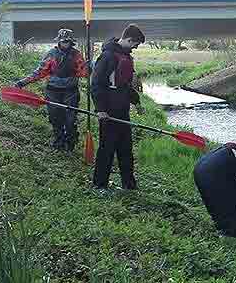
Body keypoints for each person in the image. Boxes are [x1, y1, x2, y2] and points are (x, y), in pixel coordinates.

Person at [91, 24, 146, 190]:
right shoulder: (107, 56)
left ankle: (129, 185)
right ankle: (99, 186)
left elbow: (125, 85)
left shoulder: (126, 56)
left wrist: (136, 102)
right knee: (107, 149)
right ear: (129, 39)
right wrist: (100, 109)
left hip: (123, 111)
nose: (135, 47)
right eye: (135, 44)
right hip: (108, 112)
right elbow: (96, 84)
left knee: (125, 149)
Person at [15, 28, 88, 151]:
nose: (65, 43)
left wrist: (88, 69)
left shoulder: (76, 55)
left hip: (70, 92)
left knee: (70, 120)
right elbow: (39, 72)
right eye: (63, 41)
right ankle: (59, 142)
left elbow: (83, 72)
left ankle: (71, 142)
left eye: (68, 41)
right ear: (59, 41)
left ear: (71, 42)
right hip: (53, 91)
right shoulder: (51, 54)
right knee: (55, 118)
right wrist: (23, 82)